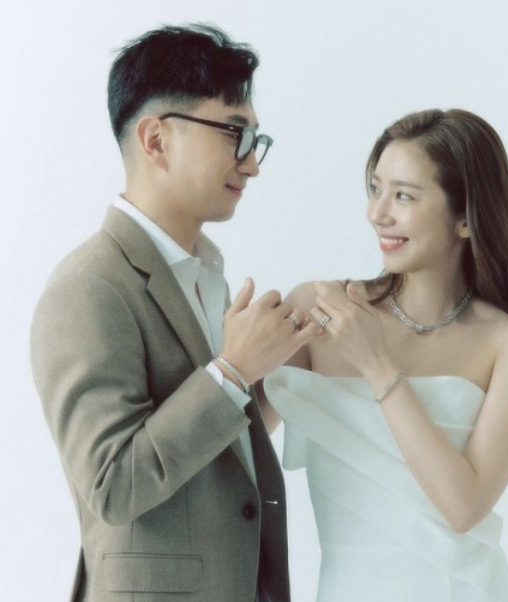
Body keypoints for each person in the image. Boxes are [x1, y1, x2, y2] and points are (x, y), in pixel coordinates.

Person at [30, 23, 318, 602]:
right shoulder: (88, 288)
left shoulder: (204, 275)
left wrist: (280, 368)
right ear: (156, 139)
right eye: (235, 133)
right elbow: (112, 486)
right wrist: (232, 371)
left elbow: (208, 447)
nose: (252, 164)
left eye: (256, 140)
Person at [262, 108, 508, 602]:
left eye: (403, 195)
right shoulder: (319, 308)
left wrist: (376, 364)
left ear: (465, 218)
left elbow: (464, 509)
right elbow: (233, 452)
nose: (378, 213)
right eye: (375, 189)